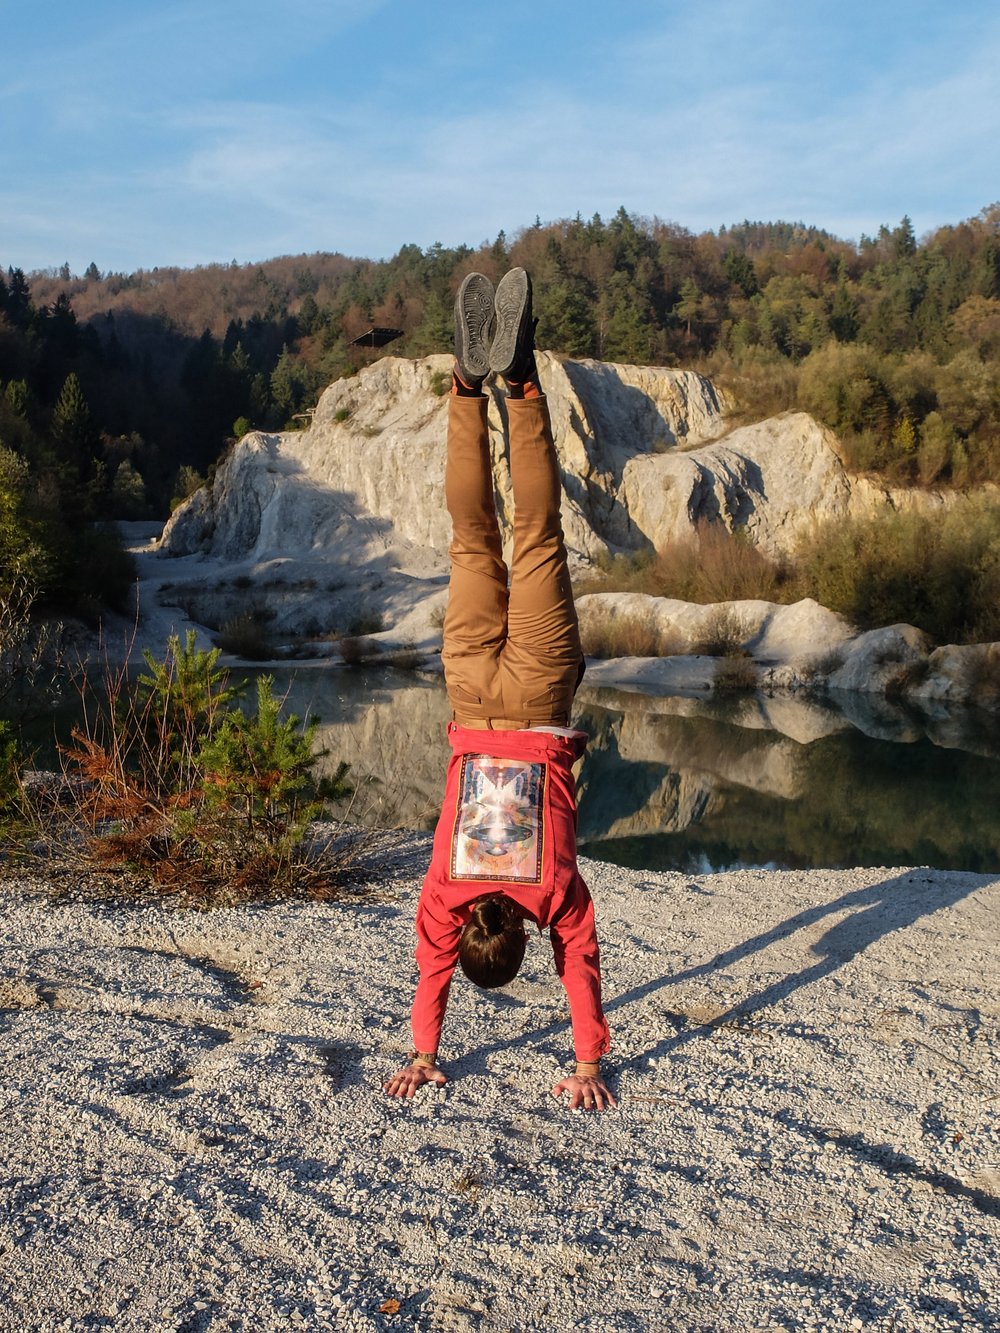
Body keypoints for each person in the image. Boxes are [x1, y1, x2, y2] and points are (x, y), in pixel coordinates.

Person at [384, 268, 615, 1112]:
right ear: (473, 931)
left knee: (535, 531)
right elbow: (429, 972)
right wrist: (420, 1051)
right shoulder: (444, 888)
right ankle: (461, 384)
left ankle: (516, 381)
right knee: (474, 535)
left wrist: (589, 1061)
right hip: (471, 692)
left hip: (541, 693)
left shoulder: (549, 892)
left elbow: (581, 955)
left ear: (520, 932)